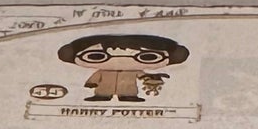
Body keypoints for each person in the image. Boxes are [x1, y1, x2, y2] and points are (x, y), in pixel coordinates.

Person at [55, 32, 191, 101]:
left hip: (128, 87)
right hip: (105, 86)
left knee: (128, 91)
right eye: (96, 56)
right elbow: (96, 76)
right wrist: (91, 83)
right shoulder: (104, 71)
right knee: (103, 91)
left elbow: (142, 76)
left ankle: (128, 97)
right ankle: (102, 96)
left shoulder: (133, 71)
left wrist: (151, 78)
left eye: (148, 56)